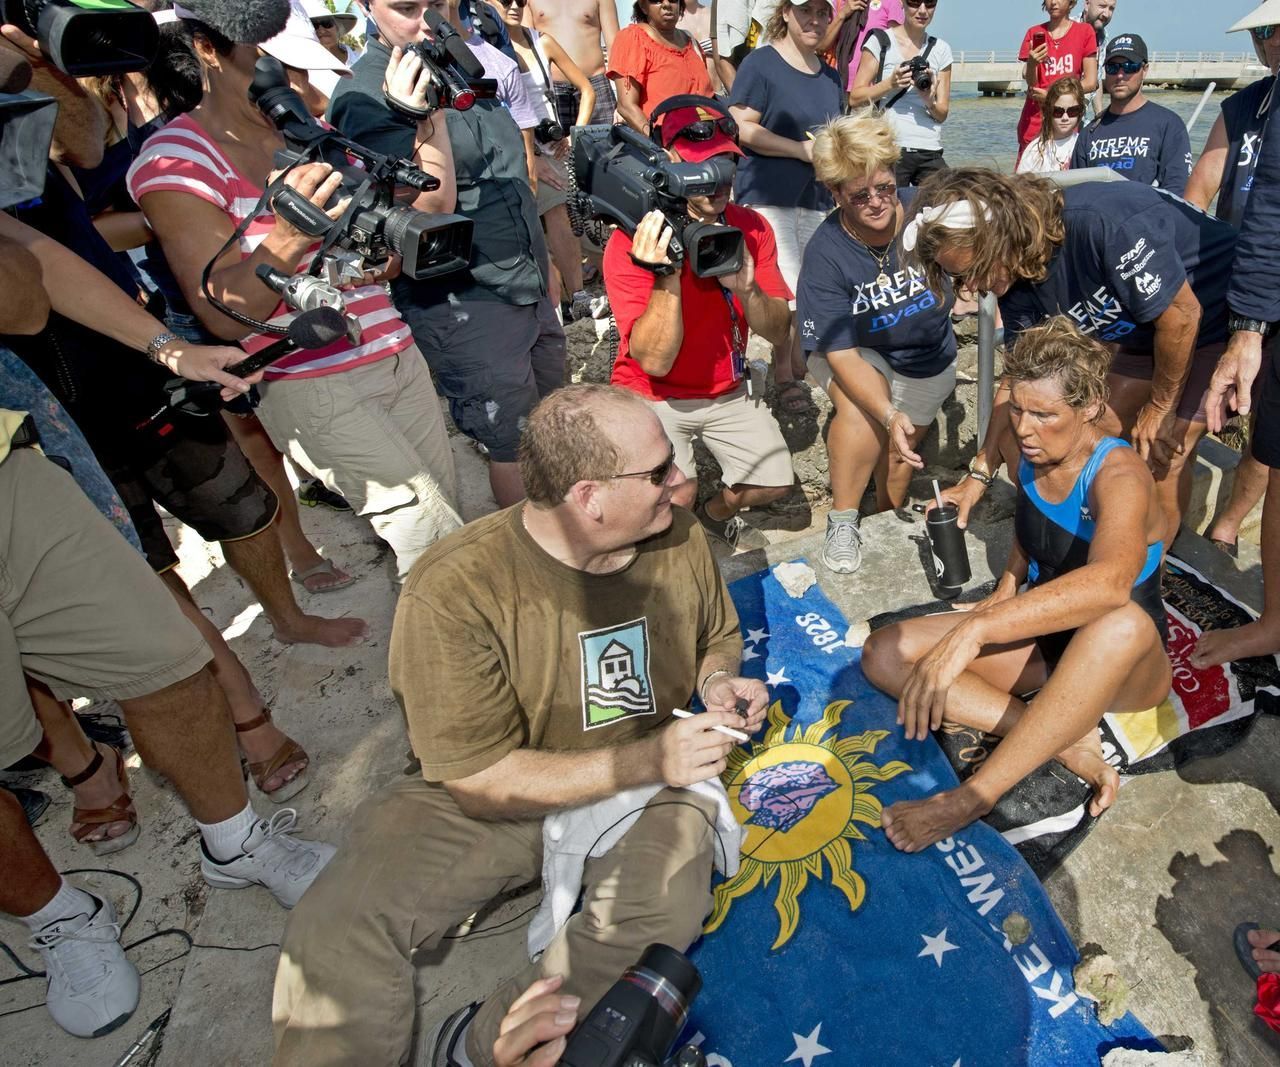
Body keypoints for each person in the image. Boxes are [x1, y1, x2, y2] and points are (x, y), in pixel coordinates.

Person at [271, 383, 768, 1067]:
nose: (681, 481)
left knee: (662, 916)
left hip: (653, 775)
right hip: (509, 782)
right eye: (659, 471)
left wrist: (716, 682)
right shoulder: (453, 589)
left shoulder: (675, 534)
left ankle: (483, 1046)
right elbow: (477, 780)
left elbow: (717, 634)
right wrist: (648, 760)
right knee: (337, 924)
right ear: (589, 496)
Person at [0, 232, 333, 1041]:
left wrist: (170, 349)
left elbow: (26, 291)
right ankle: (61, 917)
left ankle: (234, 840)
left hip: (4, 474)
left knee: (165, 661)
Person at [128, 5, 463, 582]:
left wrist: (377, 258)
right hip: (310, 380)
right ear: (208, 49)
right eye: (278, 66)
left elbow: (390, 232)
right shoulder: (176, 161)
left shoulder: (307, 133)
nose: (302, 86)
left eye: (302, 68)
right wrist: (287, 235)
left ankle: (446, 654)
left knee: (447, 525)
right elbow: (225, 317)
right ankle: (455, 667)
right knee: (432, 537)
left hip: (394, 354)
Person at [861, 316, 1172, 852]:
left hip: (1124, 662)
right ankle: (1056, 737)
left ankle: (971, 798)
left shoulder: (1117, 474)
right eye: (1019, 409)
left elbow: (1110, 583)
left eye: (1044, 415)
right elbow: (1034, 531)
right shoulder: (1028, 444)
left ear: (1089, 409)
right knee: (885, 653)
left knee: (1117, 622)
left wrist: (977, 630)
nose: (1024, 429)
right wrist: (1005, 589)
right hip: (1054, 641)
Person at [904, 167, 1250, 548]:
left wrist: (1161, 406)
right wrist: (979, 474)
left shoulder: (1102, 223)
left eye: (972, 271)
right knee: (1088, 438)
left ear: (1000, 234)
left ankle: (1148, 576)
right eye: (959, 278)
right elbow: (1019, 382)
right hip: (1147, 329)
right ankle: (1109, 545)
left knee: (1162, 450)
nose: (970, 287)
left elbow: (1183, 317)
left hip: (1218, 316)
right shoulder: (1014, 281)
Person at [332, 0, 567, 508]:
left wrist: (542, 258)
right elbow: (426, 209)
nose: (427, 20)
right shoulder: (364, 95)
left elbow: (513, 178)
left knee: (554, 421)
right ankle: (537, 561)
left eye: (438, 4)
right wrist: (420, 116)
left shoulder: (461, 66)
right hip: (463, 300)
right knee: (515, 444)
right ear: (367, 8)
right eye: (406, 7)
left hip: (524, 280)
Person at [604, 100, 794, 551]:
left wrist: (749, 290)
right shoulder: (634, 237)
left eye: (725, 163)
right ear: (667, 165)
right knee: (674, 495)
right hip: (653, 393)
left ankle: (714, 515)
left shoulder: (750, 227)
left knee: (774, 483)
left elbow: (779, 330)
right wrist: (666, 273)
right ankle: (671, 550)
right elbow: (653, 360)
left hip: (726, 389)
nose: (717, 181)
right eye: (700, 166)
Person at [796, 110, 956, 573]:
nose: (876, 202)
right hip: (853, 349)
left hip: (927, 353)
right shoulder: (826, 252)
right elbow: (841, 353)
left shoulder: (928, 209)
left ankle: (885, 517)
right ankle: (843, 520)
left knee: (901, 457)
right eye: (859, 194)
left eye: (884, 187)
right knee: (866, 410)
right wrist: (887, 412)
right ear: (836, 194)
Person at [1190, 0, 1280, 671]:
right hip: (1247, 280)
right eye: (1261, 33)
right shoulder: (1247, 106)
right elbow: (1209, 188)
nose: (1268, 42)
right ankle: (1270, 612)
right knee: (1258, 428)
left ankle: (1224, 525)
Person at [728, 0, 843, 412]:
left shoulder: (831, 76)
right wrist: (798, 150)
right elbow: (740, 127)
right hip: (765, 193)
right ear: (787, 14)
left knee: (810, 285)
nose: (814, 20)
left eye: (822, 12)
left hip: (816, 197)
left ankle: (799, 363)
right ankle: (784, 373)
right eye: (805, 11)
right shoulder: (761, 63)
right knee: (783, 286)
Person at [499, 0, 598, 319]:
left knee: (574, 214)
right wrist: (529, 155)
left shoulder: (543, 41)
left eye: (520, 0)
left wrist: (574, 135)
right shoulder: (483, 49)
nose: (513, 6)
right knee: (552, 214)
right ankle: (572, 296)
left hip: (552, 146)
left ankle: (580, 294)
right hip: (513, 148)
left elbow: (588, 89)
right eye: (504, 0)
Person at [1071, 34, 1192, 196]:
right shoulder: (1089, 133)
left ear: (1145, 70)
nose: (1120, 75)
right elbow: (1075, 194)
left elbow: (1178, 191)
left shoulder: (1169, 125)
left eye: (1130, 66)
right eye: (1112, 67)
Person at [849, 0, 952, 187]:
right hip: (892, 147)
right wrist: (890, 84)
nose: (922, 10)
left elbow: (942, 114)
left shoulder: (941, 49)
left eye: (929, 4)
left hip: (930, 149)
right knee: (893, 211)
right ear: (902, 4)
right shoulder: (880, 42)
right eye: (914, 3)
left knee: (949, 202)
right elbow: (855, 98)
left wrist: (929, 101)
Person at [609, 0, 714, 134]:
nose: (666, 5)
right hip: (664, 145)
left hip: (707, 140)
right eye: (657, 0)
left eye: (672, 0)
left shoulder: (691, 42)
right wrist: (656, 144)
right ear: (643, 7)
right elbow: (626, 106)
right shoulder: (632, 39)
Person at [1015, 0, 1098, 164]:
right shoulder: (1034, 32)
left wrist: (1054, 96)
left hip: (1064, 121)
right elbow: (1032, 83)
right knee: (1026, 184)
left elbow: (1090, 82)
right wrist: (1032, 63)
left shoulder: (1084, 32)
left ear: (1071, 2)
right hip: (1033, 122)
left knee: (1065, 179)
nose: (1053, 2)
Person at [524, 0, 620, 128]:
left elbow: (616, 48)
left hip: (596, 85)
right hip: (551, 89)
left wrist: (622, 103)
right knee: (552, 147)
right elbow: (526, 46)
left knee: (604, 144)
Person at [1016, 74, 1084, 173]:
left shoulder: (1084, 145)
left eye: (1072, 111)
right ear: (1047, 111)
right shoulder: (1034, 150)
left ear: (1080, 112)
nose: (1065, 118)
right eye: (1058, 112)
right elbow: (1021, 185)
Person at [305, 0, 362, 96]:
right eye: (314, 25)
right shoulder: (306, 71)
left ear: (337, 27)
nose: (322, 30)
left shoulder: (361, 58)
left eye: (327, 23)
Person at [1081, 0, 1116, 118]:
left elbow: (1097, 78)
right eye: (1102, 6)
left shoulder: (1103, 36)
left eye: (1111, 9)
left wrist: (1099, 114)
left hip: (1078, 118)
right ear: (1086, 4)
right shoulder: (1067, 28)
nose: (1106, 14)